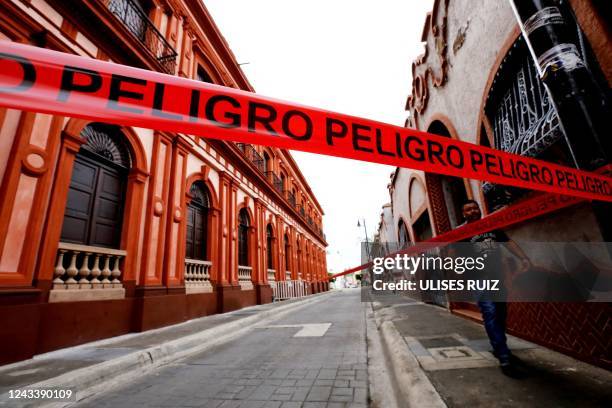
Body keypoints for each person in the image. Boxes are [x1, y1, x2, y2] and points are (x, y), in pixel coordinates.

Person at [461, 199, 531, 377]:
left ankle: (500, 347)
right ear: (464, 214)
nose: (472, 211)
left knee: (500, 314)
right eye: (468, 210)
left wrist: (524, 258)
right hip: (479, 280)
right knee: (490, 313)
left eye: (474, 208)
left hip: (498, 278)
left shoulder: (491, 227)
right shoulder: (462, 233)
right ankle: (504, 357)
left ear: (479, 210)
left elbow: (508, 243)